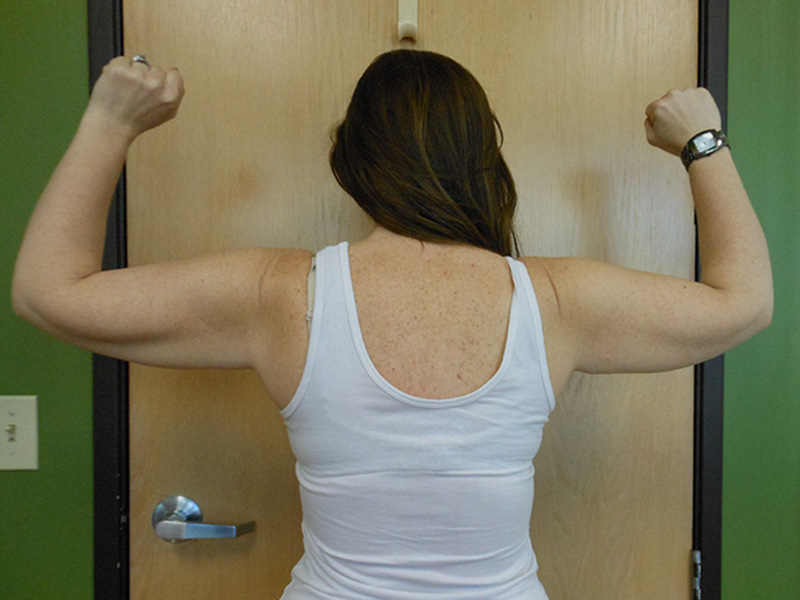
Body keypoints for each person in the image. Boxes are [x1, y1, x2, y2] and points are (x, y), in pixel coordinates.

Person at [12, 50, 772, 599]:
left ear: (352, 163)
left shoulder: (282, 295)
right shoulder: (555, 301)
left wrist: (111, 119)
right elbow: (745, 303)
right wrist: (702, 140)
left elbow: (48, 291)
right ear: (485, 161)